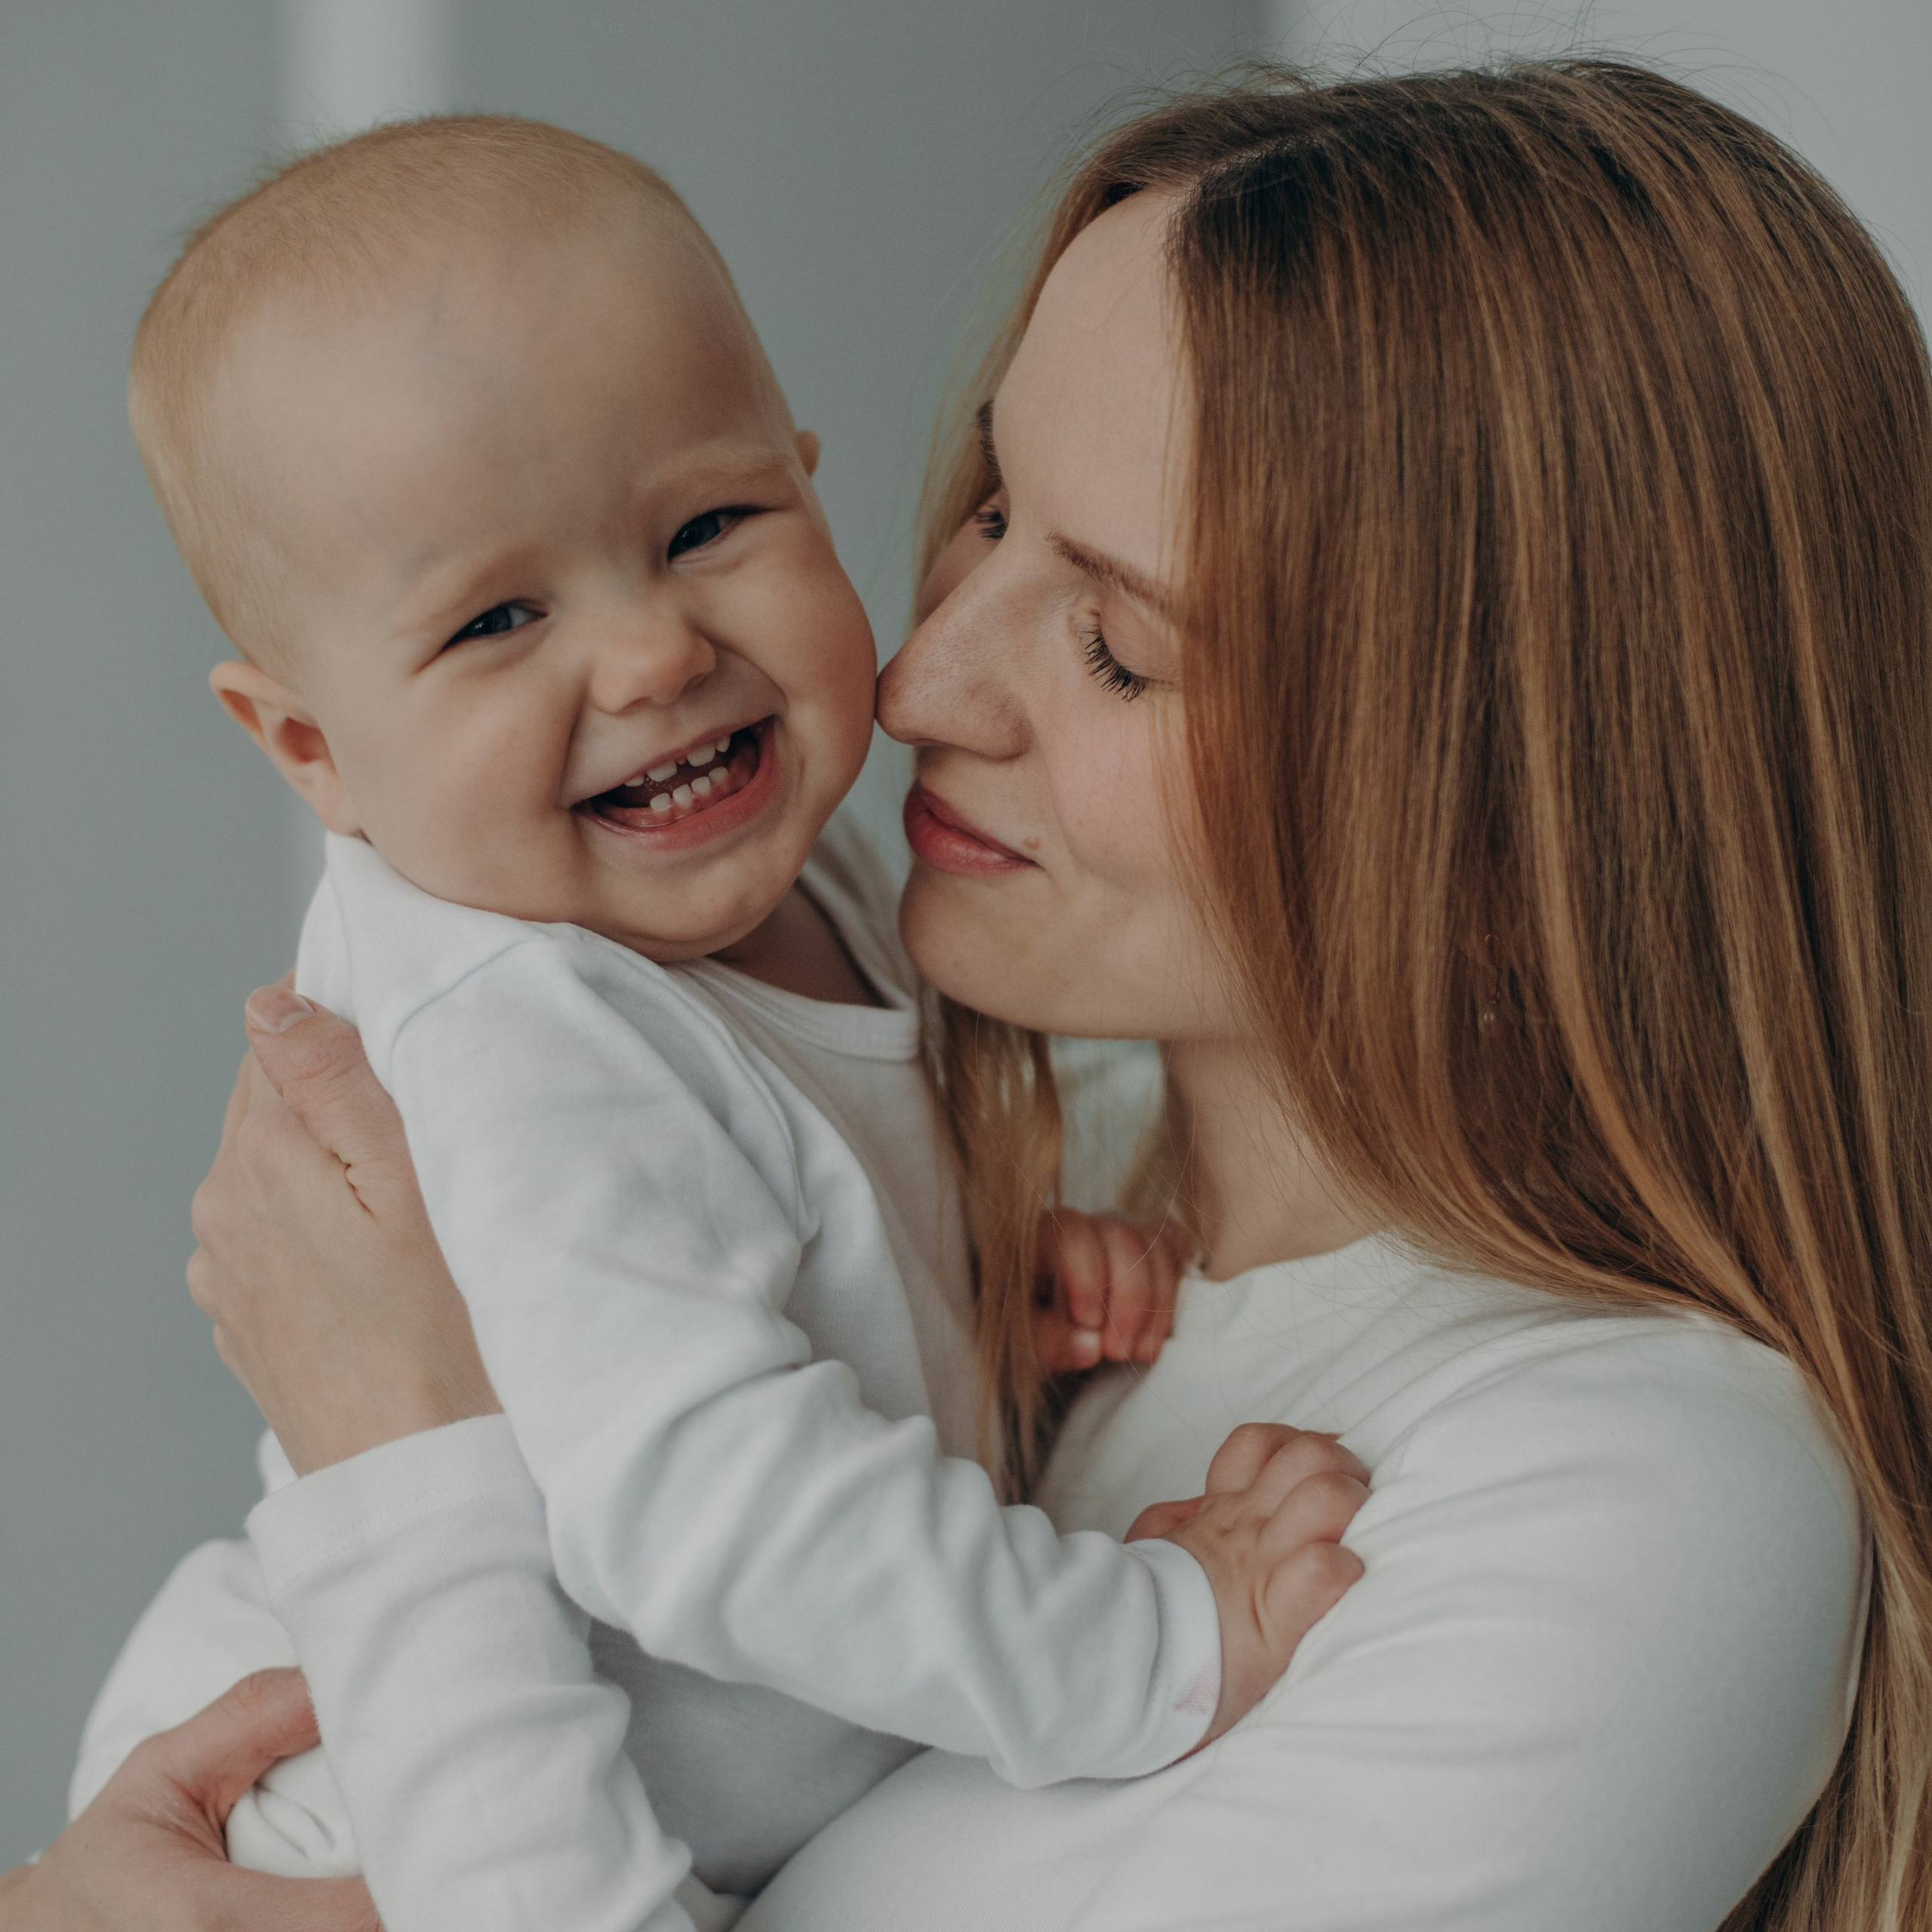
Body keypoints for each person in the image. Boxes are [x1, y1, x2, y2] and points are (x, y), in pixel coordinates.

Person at [14, 53, 1932, 1931]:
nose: (919, 679)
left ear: (1528, 827)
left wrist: (403, 1469)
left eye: (1108, 644)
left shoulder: (1644, 1511)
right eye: (993, 509)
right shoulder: (951, 1143)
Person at [55, 113, 1366, 1927]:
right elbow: (721, 1505)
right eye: (499, 616)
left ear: (807, 482)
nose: (652, 651)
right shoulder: (516, 1027)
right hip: (350, 1806)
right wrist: (1145, 1638)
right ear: (308, 744)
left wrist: (968, 1283)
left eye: (708, 525)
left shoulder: (783, 885)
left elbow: (738, 1253)